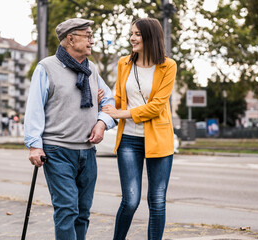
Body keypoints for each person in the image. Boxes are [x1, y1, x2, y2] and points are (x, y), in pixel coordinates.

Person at [24, 18, 116, 240]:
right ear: (71, 39)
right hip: (57, 151)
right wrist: (34, 146)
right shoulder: (46, 67)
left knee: (82, 213)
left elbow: (110, 103)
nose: (92, 41)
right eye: (88, 36)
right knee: (67, 210)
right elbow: (35, 107)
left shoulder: (91, 70)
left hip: (87, 152)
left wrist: (102, 122)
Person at [102, 18, 177, 240]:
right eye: (131, 33)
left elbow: (156, 107)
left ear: (150, 37)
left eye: (137, 34)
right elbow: (119, 98)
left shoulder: (168, 66)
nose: (132, 38)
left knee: (157, 200)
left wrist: (121, 114)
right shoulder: (124, 63)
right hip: (128, 140)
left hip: (159, 139)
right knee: (131, 200)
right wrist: (105, 101)